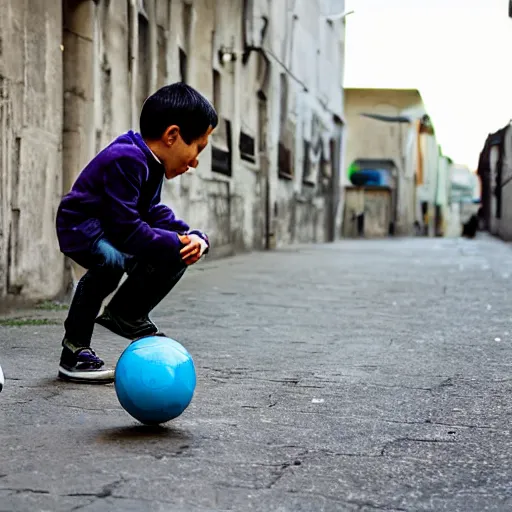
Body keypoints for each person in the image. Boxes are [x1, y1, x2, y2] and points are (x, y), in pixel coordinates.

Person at [55, 83, 217, 384]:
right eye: (198, 148)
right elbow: (126, 228)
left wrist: (193, 236)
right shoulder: (127, 158)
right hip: (81, 224)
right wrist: (173, 241)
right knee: (110, 262)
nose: (195, 162)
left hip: (111, 227)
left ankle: (127, 315)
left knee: (173, 251)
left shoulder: (151, 162)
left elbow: (152, 212)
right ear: (172, 136)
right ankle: (73, 351)